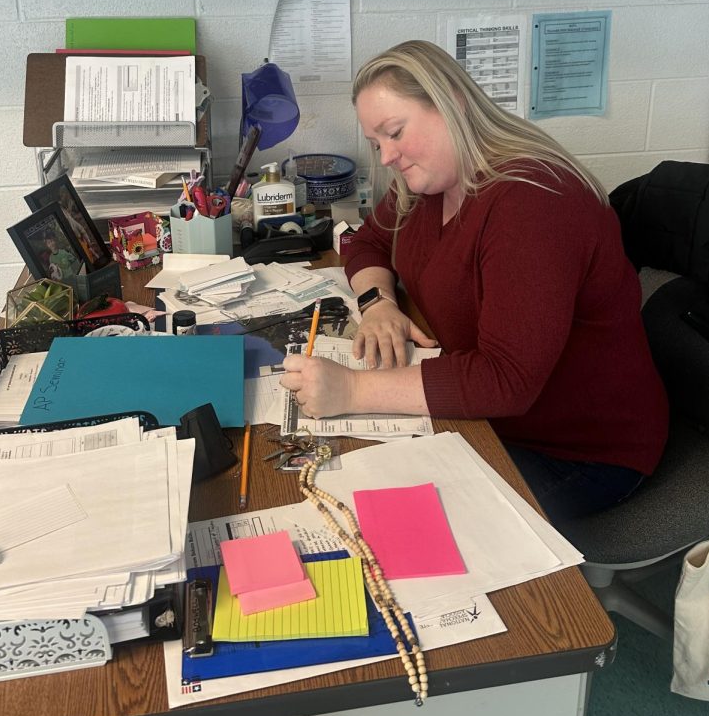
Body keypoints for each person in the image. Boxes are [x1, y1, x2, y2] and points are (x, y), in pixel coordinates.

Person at [280, 40, 669, 524]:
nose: (387, 157)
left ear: (452, 104)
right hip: (492, 415)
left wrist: (352, 392)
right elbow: (365, 242)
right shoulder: (426, 184)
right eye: (377, 143)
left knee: (386, 520)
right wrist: (378, 303)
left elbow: (505, 381)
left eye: (395, 132)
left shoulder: (533, 204)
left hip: (577, 450)